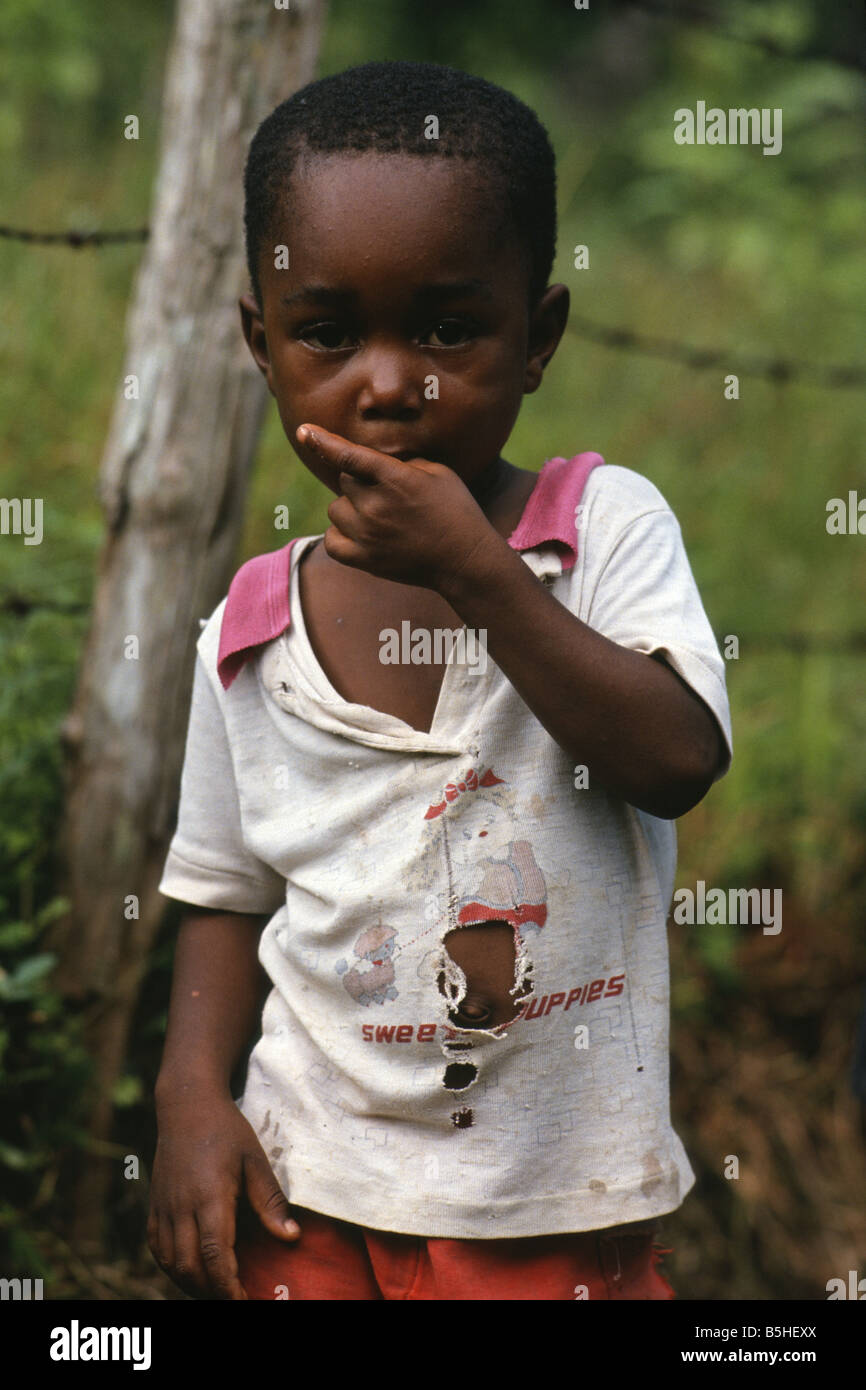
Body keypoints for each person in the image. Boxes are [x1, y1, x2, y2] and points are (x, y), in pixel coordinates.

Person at [149, 59, 732, 1301]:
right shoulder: (250, 628)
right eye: (327, 332)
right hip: (304, 1191)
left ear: (538, 339)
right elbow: (220, 893)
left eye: (447, 329)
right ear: (262, 344)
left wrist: (483, 575)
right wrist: (190, 1097)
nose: (387, 380)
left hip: (545, 1204)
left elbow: (672, 760)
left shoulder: (600, 533)